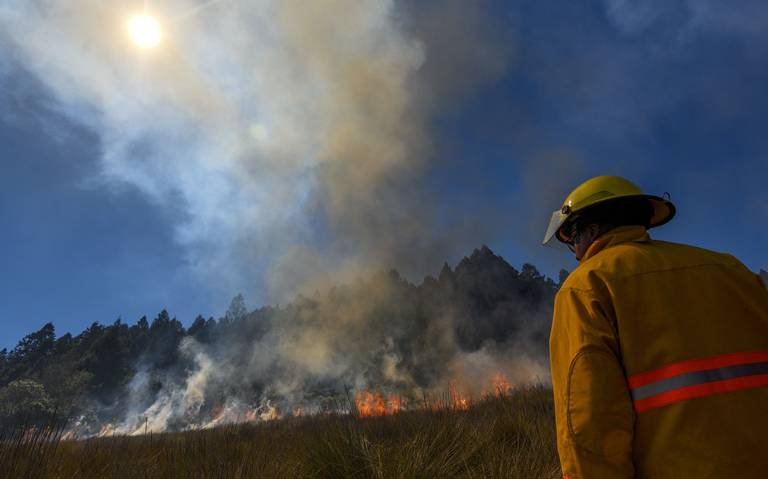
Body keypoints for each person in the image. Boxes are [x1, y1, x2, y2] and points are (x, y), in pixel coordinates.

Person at [542, 175, 768, 478]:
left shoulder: (587, 286)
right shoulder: (732, 269)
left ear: (591, 230)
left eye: (574, 242)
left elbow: (590, 421)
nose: (577, 255)